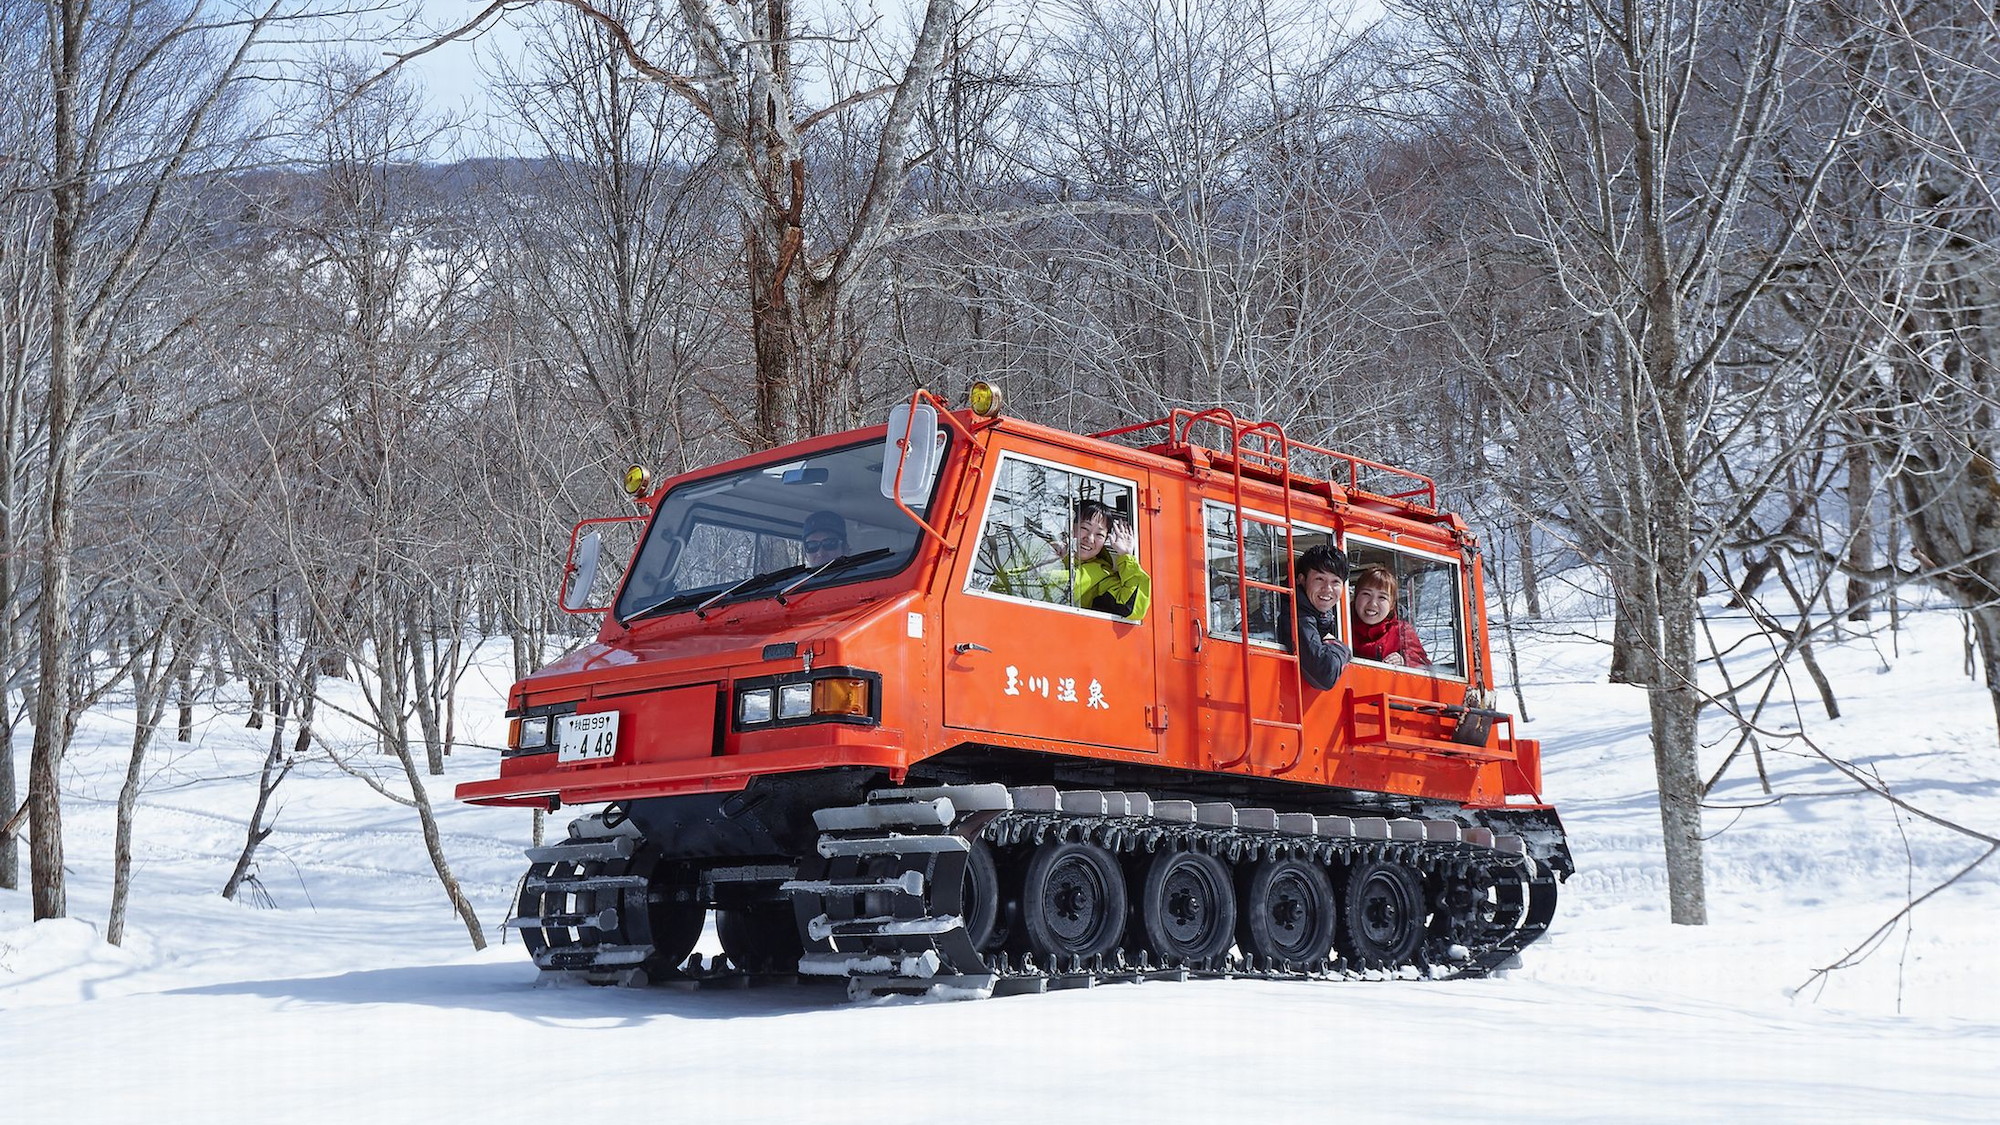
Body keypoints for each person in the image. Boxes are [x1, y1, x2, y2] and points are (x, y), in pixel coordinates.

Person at [992, 499, 1151, 620]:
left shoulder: (1102, 576)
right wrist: (1049, 560)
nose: (1089, 539)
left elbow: (1132, 609)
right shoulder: (1041, 549)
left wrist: (1126, 557)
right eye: (1084, 529)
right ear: (1070, 526)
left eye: (1099, 535)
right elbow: (1002, 583)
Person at [1290, 543, 1351, 690]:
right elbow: (1324, 673)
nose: (1327, 589)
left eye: (1335, 581)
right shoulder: (1296, 614)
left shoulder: (1324, 618)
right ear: (1301, 580)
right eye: (1319, 579)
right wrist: (1341, 649)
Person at [1351, 564, 1430, 667]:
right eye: (1366, 594)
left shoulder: (1402, 632)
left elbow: (1423, 666)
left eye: (1382, 597)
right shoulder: (1341, 625)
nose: (1373, 603)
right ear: (1356, 597)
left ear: (1392, 605)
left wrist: (1404, 661)